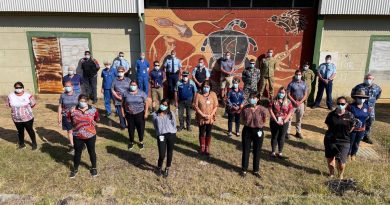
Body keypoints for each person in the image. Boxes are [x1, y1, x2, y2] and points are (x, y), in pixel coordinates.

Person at [67, 94, 100, 178]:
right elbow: (69, 120)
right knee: (77, 152)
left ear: (87, 101)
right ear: (78, 101)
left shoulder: (93, 109)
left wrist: (95, 122)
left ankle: (94, 167)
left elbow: (97, 119)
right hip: (77, 135)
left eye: (84, 101)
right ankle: (75, 169)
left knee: (91, 151)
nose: (82, 103)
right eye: (81, 101)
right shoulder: (73, 110)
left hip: (90, 135)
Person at [324, 96, 357, 179]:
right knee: (330, 159)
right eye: (338, 103)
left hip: (344, 141)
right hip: (330, 140)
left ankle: (340, 175)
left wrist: (345, 133)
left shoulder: (350, 115)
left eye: (342, 104)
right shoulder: (331, 114)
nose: (340, 105)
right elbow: (328, 125)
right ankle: (331, 173)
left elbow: (352, 126)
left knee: (341, 162)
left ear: (346, 105)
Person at [240, 93, 268, 178]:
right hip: (247, 130)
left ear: (258, 99)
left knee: (257, 151)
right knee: (246, 150)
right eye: (251, 97)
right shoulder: (245, 108)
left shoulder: (262, 109)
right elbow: (241, 119)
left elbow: (265, 119)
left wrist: (259, 125)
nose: (252, 99)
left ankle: (255, 170)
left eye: (254, 97)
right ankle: (244, 170)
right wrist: (247, 123)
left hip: (258, 131)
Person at [351, 73, 382, 144]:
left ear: (373, 79)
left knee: (370, 121)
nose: (368, 80)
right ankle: (354, 134)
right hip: (360, 107)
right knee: (357, 120)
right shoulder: (358, 87)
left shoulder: (377, 88)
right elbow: (353, 95)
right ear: (364, 79)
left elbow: (377, 96)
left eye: (370, 78)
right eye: (367, 78)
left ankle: (366, 136)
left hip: (370, 108)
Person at [121, 80, 151, 150]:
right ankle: (131, 142)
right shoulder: (125, 93)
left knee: (140, 128)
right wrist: (123, 113)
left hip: (140, 113)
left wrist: (146, 112)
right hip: (129, 114)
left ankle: (141, 141)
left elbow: (146, 102)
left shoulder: (141, 93)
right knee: (131, 129)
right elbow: (122, 104)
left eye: (134, 85)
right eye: (131, 85)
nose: (133, 86)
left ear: (137, 86)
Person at [7, 82, 37, 150]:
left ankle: (34, 143)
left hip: (27, 118)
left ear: (23, 88)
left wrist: (24, 110)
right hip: (16, 118)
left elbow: (33, 104)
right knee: (20, 131)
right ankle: (22, 144)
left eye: (20, 87)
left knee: (30, 130)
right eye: (16, 88)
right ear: (14, 88)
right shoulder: (10, 96)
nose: (18, 89)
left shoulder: (28, 95)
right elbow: (9, 104)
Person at [152, 99, 177, 178]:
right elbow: (155, 126)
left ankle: (167, 168)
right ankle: (159, 167)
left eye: (166, 105)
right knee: (162, 154)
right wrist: (159, 133)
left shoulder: (171, 113)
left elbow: (174, 124)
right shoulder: (155, 114)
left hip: (171, 134)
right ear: (160, 104)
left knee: (170, 152)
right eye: (162, 104)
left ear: (168, 106)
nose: (164, 106)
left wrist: (172, 132)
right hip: (161, 135)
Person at [193, 80, 218, 156]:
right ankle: (202, 147)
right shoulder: (198, 94)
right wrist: (202, 115)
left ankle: (207, 147)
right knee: (201, 132)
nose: (206, 88)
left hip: (210, 117)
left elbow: (216, 106)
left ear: (210, 87)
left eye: (207, 87)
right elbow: (195, 106)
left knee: (209, 132)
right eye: (204, 86)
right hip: (201, 117)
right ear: (202, 86)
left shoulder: (213, 94)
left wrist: (211, 115)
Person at [268, 87, 293, 157]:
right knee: (274, 136)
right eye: (280, 92)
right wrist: (276, 120)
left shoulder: (288, 102)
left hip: (284, 122)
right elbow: (270, 110)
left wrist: (284, 121)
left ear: (285, 94)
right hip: (274, 121)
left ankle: (280, 152)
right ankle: (273, 151)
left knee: (282, 137)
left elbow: (290, 113)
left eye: (282, 93)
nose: (281, 94)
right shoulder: (273, 100)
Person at [58, 81, 80, 153]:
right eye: (66, 86)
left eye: (69, 86)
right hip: (66, 116)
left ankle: (80, 144)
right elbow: (60, 107)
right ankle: (73, 146)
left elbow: (82, 105)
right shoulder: (63, 95)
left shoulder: (77, 95)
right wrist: (59, 117)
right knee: (70, 130)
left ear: (72, 86)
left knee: (77, 130)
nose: (67, 87)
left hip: (76, 116)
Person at [347, 90, 370, 161]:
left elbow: (367, 117)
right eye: (359, 97)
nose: (361, 99)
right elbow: (346, 117)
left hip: (361, 129)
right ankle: (347, 154)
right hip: (352, 129)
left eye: (363, 98)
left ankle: (353, 154)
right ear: (356, 98)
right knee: (350, 142)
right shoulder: (350, 106)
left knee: (357, 143)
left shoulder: (367, 107)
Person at [287, 70, 307, 139]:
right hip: (292, 103)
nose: (298, 76)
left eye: (299, 74)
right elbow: (288, 94)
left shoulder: (304, 84)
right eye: (297, 74)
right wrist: (294, 101)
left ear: (301, 75)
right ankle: (287, 132)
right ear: (295, 75)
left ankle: (298, 132)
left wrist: (300, 102)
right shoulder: (291, 84)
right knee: (289, 118)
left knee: (299, 118)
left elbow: (305, 94)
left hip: (301, 104)